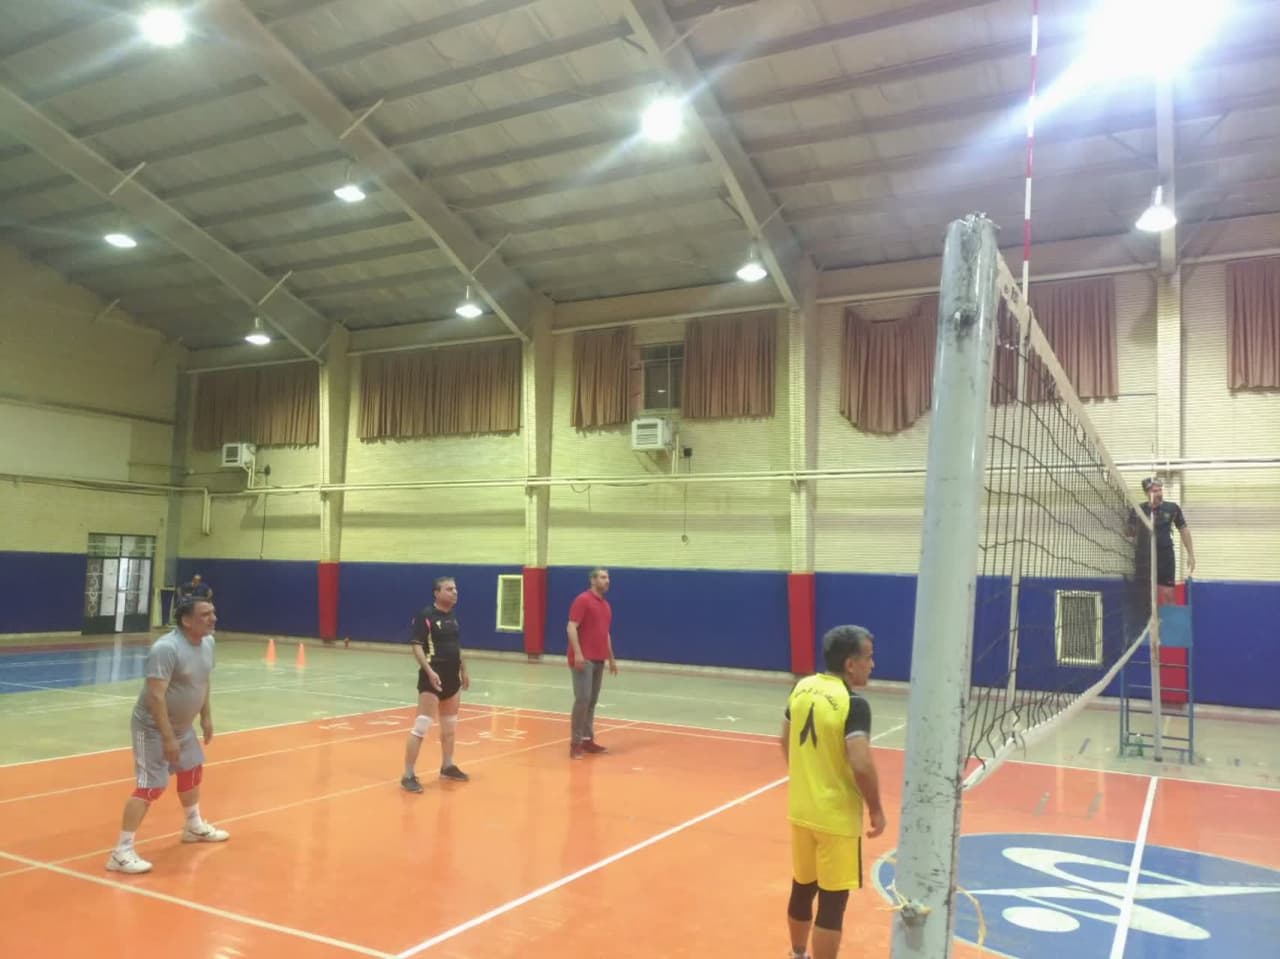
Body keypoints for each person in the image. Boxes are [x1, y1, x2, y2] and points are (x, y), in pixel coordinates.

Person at [781, 625, 886, 959]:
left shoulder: (801, 688)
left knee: (802, 888)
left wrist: (807, 777)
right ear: (850, 664)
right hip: (836, 818)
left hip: (801, 811)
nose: (872, 664)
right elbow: (861, 763)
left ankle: (797, 953)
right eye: (868, 657)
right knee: (832, 903)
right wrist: (876, 808)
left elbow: (785, 739)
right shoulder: (853, 704)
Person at [106, 598, 230, 875]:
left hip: (182, 727)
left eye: (213, 612)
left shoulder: (208, 643)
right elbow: (155, 695)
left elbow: (203, 680)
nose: (213, 618)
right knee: (151, 786)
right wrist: (167, 737)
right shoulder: (167, 648)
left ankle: (193, 826)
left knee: (192, 769)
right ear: (186, 620)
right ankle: (121, 852)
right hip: (152, 727)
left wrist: (206, 716)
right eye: (205, 614)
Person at [401, 576, 470, 791]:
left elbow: (456, 646)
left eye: (455, 589)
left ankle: (447, 766)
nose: (454, 592)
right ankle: (408, 775)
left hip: (452, 679)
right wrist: (429, 671)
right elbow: (417, 646)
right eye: (449, 589)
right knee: (422, 725)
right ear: (436, 593)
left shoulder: (453, 617)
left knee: (449, 727)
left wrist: (464, 669)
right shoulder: (426, 616)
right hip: (433, 678)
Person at [566, 567, 617, 760]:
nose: (607, 581)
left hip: (599, 658)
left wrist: (611, 658)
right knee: (583, 699)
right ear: (593, 580)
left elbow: (605, 633)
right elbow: (571, 627)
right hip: (584, 659)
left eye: (608, 577)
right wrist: (578, 654)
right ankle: (575, 743)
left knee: (592, 701)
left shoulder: (606, 606)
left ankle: (587, 740)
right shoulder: (583, 600)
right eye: (603, 577)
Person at [1138, 476, 1196, 605]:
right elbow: (1128, 533)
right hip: (1144, 558)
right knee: (1145, 596)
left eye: (1160, 490)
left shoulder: (1172, 508)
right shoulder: (1139, 510)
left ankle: (1169, 618)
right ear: (1146, 493)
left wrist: (1191, 554)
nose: (1159, 493)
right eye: (1155, 491)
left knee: (1168, 594)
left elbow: (1183, 529)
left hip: (1165, 557)